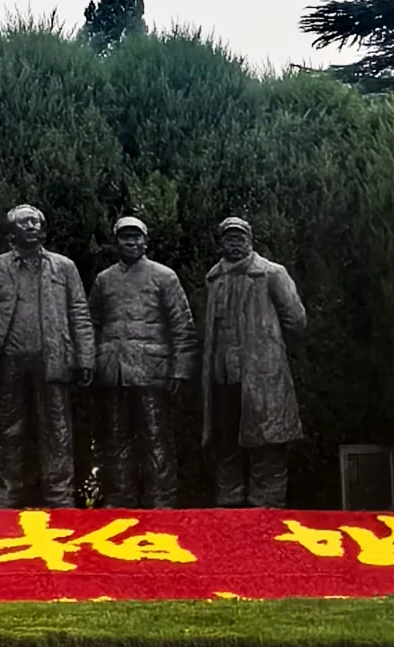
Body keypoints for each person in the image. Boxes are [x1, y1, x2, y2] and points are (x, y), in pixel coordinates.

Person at [0, 204, 94, 508]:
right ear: (11, 233)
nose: (32, 226)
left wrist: (84, 357)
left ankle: (60, 497)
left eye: (36, 222)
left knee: (57, 430)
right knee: (8, 430)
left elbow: (79, 312)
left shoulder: (64, 267)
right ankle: (7, 497)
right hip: (9, 359)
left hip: (53, 359)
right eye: (24, 223)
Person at [89, 215, 198, 507]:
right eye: (125, 237)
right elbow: (92, 325)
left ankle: (161, 497)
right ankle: (119, 496)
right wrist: (92, 364)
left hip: (153, 371)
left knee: (155, 436)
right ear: (117, 242)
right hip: (114, 372)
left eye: (136, 237)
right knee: (115, 437)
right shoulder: (104, 280)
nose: (131, 242)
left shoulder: (164, 276)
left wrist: (180, 370)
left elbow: (182, 326)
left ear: (145, 242)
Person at [202, 215, 306, 508]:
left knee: (267, 445)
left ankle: (266, 509)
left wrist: (268, 348)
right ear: (221, 243)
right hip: (222, 377)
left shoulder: (272, 274)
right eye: (229, 238)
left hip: (261, 375)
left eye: (240, 237)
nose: (234, 243)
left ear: (250, 240)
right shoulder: (214, 278)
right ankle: (229, 506)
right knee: (226, 445)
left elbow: (296, 320)